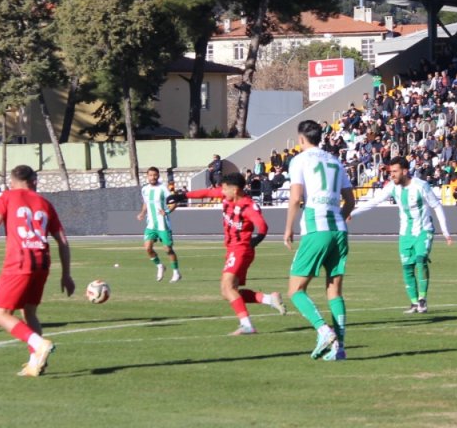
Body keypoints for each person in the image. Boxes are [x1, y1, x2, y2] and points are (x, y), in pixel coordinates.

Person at [0, 165, 73, 377]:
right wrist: (66, 274)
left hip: (19, 262)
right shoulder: (45, 203)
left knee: (0, 315)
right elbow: (62, 240)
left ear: (12, 181)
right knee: (29, 312)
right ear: (34, 181)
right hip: (42, 263)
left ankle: (39, 344)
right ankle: (35, 363)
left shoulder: (5, 197)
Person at [283, 119, 354, 361]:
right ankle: (339, 348)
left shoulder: (300, 160)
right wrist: (339, 217)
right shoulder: (335, 160)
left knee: (295, 289)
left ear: (301, 138)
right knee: (334, 291)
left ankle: (323, 331)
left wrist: (288, 228)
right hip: (339, 230)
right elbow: (351, 201)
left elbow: (295, 198)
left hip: (316, 226)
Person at [184, 172, 287, 335]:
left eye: (225, 189)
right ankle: (269, 299)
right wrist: (182, 196)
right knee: (227, 292)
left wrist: (256, 240)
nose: (222, 191)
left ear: (235, 190)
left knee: (227, 287)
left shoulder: (248, 206)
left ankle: (247, 325)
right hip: (232, 249)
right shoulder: (227, 196)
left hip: (241, 249)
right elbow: (206, 193)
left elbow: (262, 226)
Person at [350, 156, 454, 313]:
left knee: (421, 260)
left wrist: (445, 231)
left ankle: (422, 299)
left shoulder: (421, 186)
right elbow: (374, 201)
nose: (391, 175)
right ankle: (414, 303)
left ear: (405, 171)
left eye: (395, 171)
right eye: (390, 171)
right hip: (405, 233)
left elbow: (437, 206)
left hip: (423, 230)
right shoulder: (392, 187)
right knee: (407, 267)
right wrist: (352, 213)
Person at [137, 166, 180, 282]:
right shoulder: (145, 189)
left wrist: (167, 211)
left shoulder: (163, 189)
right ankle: (160, 266)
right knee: (148, 248)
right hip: (151, 224)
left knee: (168, 249)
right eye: (151, 175)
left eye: (155, 175)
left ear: (158, 176)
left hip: (163, 224)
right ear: (147, 176)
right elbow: (146, 203)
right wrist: (142, 213)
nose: (153, 177)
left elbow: (174, 202)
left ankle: (176, 272)